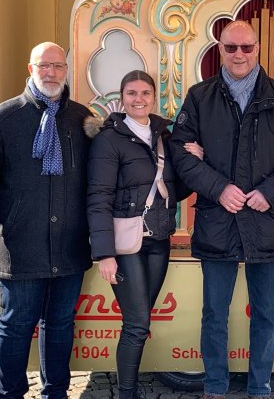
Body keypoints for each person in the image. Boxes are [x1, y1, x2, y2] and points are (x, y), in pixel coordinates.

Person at [169, 20, 274, 399]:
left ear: (258, 49)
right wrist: (218, 188)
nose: (239, 55)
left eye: (246, 48)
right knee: (214, 315)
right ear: (219, 49)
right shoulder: (199, 97)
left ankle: (260, 388)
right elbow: (180, 153)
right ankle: (215, 387)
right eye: (231, 47)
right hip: (217, 221)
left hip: (266, 221)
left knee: (265, 315)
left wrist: (270, 192)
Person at [0, 41, 95, 399]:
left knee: (60, 326)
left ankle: (56, 392)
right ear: (30, 68)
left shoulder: (83, 120)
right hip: (21, 247)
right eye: (43, 66)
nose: (51, 72)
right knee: (16, 325)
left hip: (69, 248)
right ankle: (9, 394)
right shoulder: (3, 119)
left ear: (66, 71)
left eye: (58, 66)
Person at [86, 70, 205, 399]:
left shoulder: (164, 135)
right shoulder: (109, 139)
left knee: (139, 321)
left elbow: (171, 191)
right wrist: (104, 253)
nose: (139, 99)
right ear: (122, 97)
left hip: (159, 240)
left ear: (154, 97)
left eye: (145, 93)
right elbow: (98, 198)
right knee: (137, 323)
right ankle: (127, 392)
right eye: (131, 93)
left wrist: (193, 162)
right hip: (126, 245)